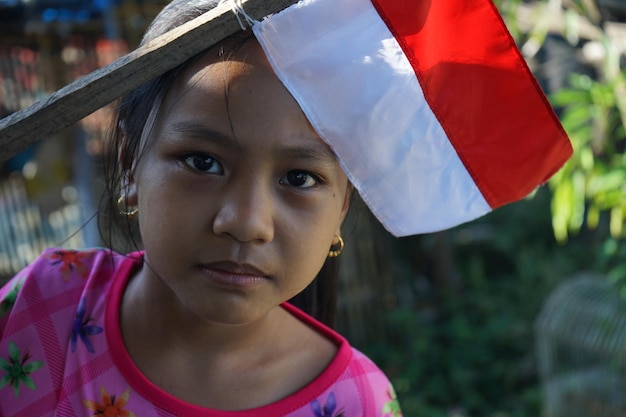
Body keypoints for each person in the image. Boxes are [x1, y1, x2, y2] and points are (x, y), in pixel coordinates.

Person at [0, 0, 572, 415]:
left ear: (341, 211)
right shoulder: (44, 304)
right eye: (202, 162)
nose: (246, 222)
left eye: (299, 178)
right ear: (129, 166)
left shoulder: (355, 403)